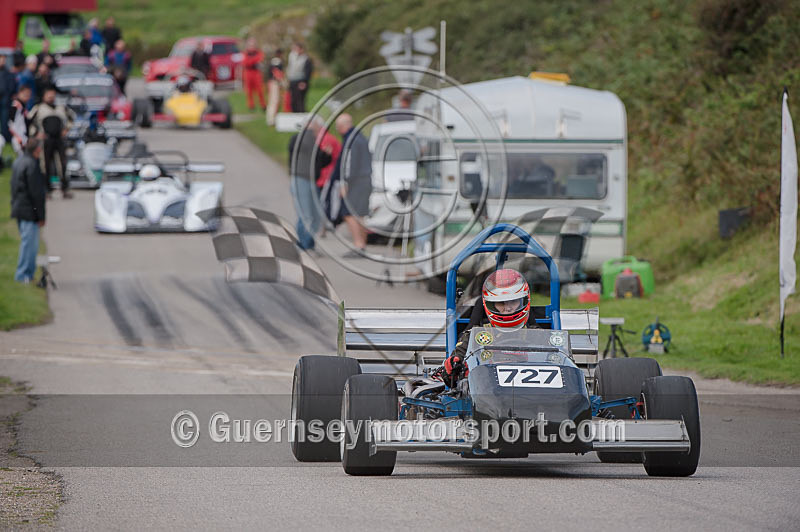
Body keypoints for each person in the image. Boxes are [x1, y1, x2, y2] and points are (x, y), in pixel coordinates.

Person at [442, 269, 535, 387]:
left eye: (513, 301)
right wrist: (453, 367)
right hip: (486, 391)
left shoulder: (536, 334)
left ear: (523, 301)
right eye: (501, 303)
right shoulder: (476, 335)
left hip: (530, 391)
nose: (508, 308)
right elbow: (452, 371)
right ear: (491, 304)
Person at [330, 114, 372, 255]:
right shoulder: (361, 137)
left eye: (338, 127)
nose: (337, 130)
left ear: (343, 126)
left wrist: (345, 183)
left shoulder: (350, 139)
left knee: (348, 213)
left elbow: (349, 164)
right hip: (366, 179)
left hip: (356, 181)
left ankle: (358, 245)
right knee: (360, 214)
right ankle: (362, 245)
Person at [289, 119, 333, 251]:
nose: (320, 130)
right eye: (318, 127)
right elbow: (297, 147)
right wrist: (309, 130)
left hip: (311, 181)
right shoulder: (300, 138)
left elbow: (319, 162)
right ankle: (301, 245)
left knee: (316, 214)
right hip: (301, 180)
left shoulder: (313, 142)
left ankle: (309, 243)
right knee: (305, 214)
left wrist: (327, 155)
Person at [10, 139, 47, 283]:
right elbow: (36, 193)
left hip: (19, 207)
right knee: (29, 245)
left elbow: (13, 187)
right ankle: (23, 275)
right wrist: (40, 215)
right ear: (37, 150)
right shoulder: (32, 165)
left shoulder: (18, 161)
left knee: (28, 243)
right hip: (29, 210)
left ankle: (28, 274)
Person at [29, 87, 75, 198]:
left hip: (59, 139)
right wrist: (36, 134)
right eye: (48, 95)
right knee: (45, 165)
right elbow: (29, 122)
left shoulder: (61, 108)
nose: (51, 97)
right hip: (46, 140)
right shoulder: (39, 108)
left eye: (53, 95)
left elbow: (72, 117)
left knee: (61, 164)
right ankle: (46, 189)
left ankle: (64, 188)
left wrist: (66, 129)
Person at [286, 42, 312, 112]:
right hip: (293, 81)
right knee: (293, 101)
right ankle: (294, 114)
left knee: (300, 101)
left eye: (297, 49)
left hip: (300, 82)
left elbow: (308, 72)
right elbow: (290, 69)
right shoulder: (292, 57)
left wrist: (304, 82)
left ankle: (301, 115)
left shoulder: (306, 59)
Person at [242, 38, 266, 111]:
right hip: (248, 72)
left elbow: (261, 58)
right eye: (250, 45)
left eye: (253, 45)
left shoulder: (259, 52)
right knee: (249, 91)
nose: (252, 47)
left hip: (256, 72)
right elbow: (245, 62)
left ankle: (263, 105)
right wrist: (254, 60)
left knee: (260, 90)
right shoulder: (245, 53)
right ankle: (251, 105)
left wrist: (251, 61)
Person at [8, 86, 31, 155]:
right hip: (18, 137)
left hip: (24, 136)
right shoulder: (15, 106)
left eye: (28, 95)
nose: (27, 97)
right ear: (19, 93)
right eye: (25, 94)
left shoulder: (23, 106)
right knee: (22, 156)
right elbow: (10, 124)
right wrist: (17, 137)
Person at [265, 49, 285, 126]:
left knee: (273, 101)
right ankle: (271, 120)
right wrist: (282, 82)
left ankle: (272, 119)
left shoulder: (272, 61)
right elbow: (277, 73)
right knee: (274, 101)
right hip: (275, 83)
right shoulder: (277, 62)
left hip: (272, 82)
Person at [0, 55, 14, 143]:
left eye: (3, 60)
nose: (2, 62)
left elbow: (11, 87)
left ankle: (5, 138)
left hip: (5, 101)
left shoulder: (8, 72)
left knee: (4, 121)